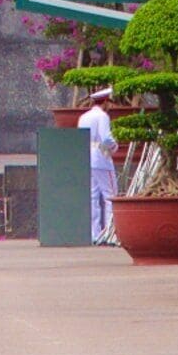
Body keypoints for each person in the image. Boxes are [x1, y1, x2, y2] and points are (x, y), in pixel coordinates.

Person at [76, 84, 119, 246]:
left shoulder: (84, 117)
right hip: (101, 157)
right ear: (106, 102)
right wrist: (115, 146)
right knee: (110, 195)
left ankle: (95, 234)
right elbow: (106, 138)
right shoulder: (102, 116)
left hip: (87, 156)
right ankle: (110, 233)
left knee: (92, 196)